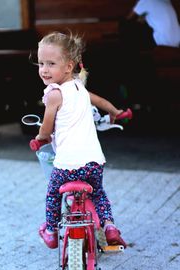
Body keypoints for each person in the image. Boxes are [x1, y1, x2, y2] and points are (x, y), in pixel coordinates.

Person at [35, 31, 127, 249]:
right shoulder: (79, 87)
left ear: (68, 66)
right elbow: (100, 101)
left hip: (67, 165)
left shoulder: (54, 94)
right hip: (94, 162)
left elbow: (47, 127)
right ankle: (109, 226)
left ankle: (50, 229)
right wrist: (114, 111)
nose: (44, 69)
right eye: (41, 63)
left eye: (51, 63)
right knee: (99, 194)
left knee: (52, 194)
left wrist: (40, 138)